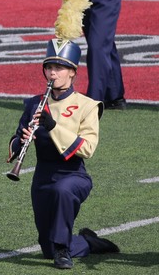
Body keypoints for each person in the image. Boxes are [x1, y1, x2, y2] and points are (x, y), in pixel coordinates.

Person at [7, 33, 118, 269]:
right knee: (48, 249)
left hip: (73, 175)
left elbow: (87, 149)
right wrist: (21, 142)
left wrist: (53, 126)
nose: (53, 73)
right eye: (49, 67)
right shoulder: (34, 103)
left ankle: (62, 249)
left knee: (62, 191)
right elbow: (15, 141)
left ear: (73, 72)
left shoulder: (88, 105)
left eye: (59, 67)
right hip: (42, 176)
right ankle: (87, 242)